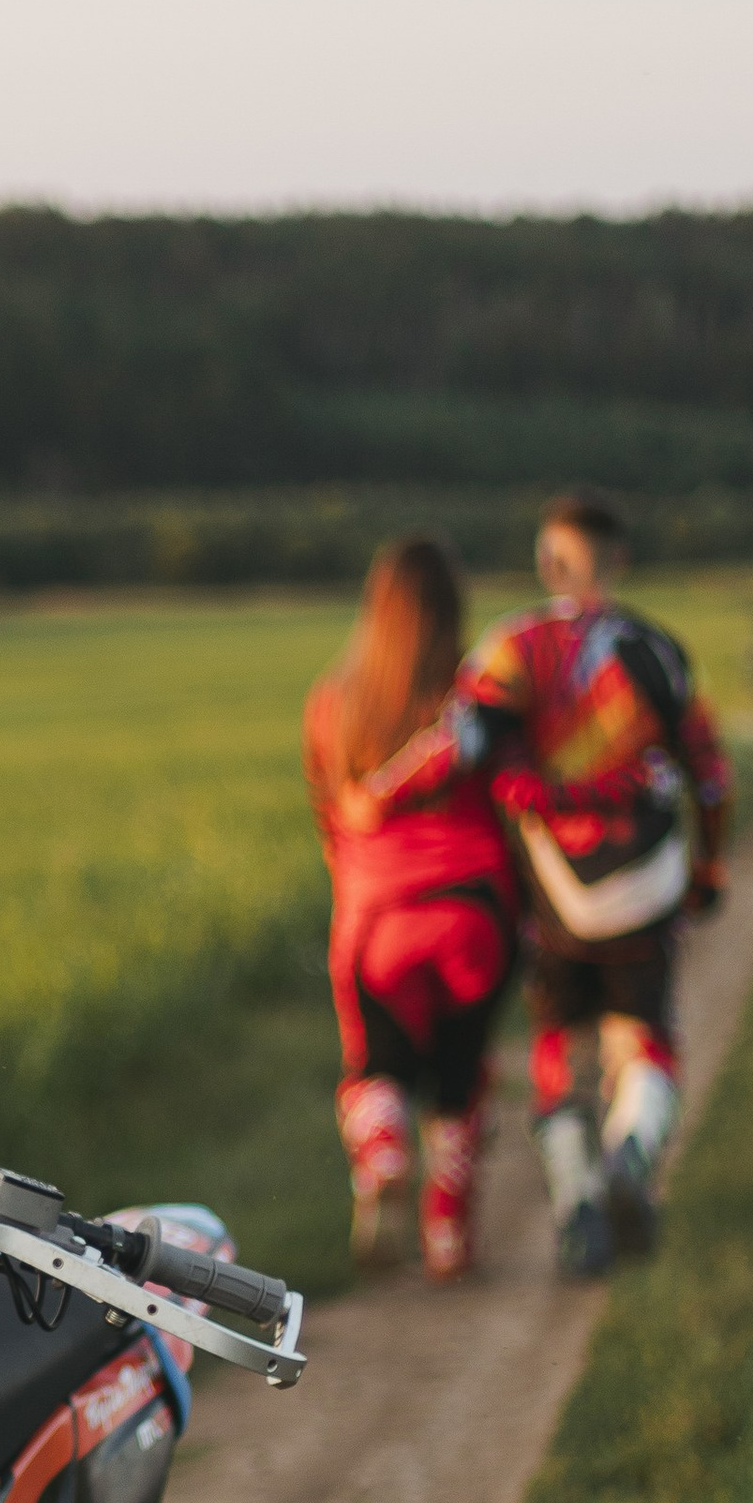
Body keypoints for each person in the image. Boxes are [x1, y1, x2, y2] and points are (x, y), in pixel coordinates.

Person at [373, 487, 731, 1278]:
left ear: (548, 559)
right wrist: (709, 865)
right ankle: (632, 1155)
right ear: (619, 559)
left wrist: (378, 796)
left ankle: (575, 1201)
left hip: (555, 895)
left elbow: (458, 743)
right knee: (645, 1039)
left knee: (556, 1054)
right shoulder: (659, 650)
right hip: (648, 884)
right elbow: (709, 777)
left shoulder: (516, 646)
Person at [303, 535, 518, 1279]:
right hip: (473, 913)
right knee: (460, 1077)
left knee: (378, 1065)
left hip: (377, 919)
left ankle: (383, 1149)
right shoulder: (472, 702)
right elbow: (509, 805)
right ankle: (449, 1236)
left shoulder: (334, 703)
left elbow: (330, 825)